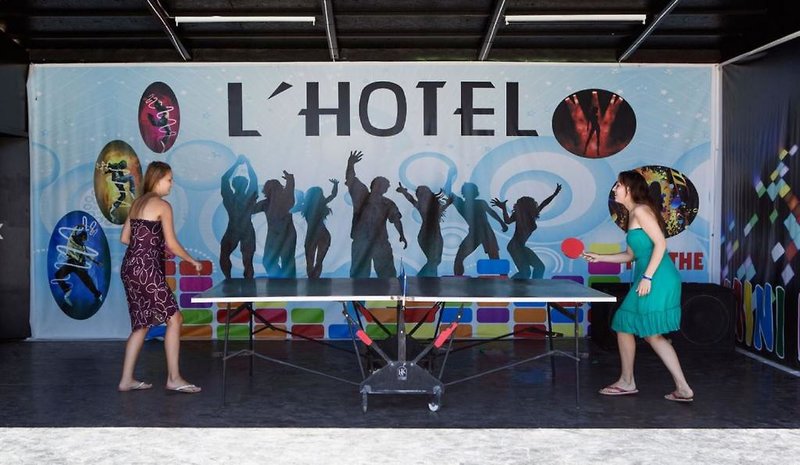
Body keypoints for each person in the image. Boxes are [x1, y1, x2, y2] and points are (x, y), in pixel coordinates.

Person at [582, 170, 693, 402]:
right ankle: (680, 388)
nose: (614, 189)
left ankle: (628, 382)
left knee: (629, 324)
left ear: (630, 189)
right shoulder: (632, 215)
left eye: (618, 185)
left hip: (658, 277)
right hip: (653, 276)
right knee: (642, 331)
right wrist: (599, 257)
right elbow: (631, 255)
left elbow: (660, 244)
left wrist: (648, 277)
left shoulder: (641, 211)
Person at [118, 161, 202, 394]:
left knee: (141, 324)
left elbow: (125, 238)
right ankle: (174, 378)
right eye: (169, 179)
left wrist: (149, 245)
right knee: (175, 319)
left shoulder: (137, 203)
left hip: (129, 268)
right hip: (147, 270)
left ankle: (126, 380)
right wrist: (192, 261)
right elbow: (172, 244)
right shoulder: (163, 206)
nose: (171, 184)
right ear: (157, 180)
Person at [345, 150, 407, 278]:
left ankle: (387, 291)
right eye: (383, 185)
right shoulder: (360, 195)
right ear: (375, 185)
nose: (385, 188)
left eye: (386, 186)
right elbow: (350, 179)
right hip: (361, 241)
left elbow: (396, 219)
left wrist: (401, 234)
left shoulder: (388, 203)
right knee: (359, 276)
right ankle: (358, 292)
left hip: (380, 242)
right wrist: (350, 164)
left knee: (387, 275)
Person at [492, 183, 562, 279]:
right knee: (525, 272)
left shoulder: (532, 214)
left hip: (520, 246)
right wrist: (503, 208)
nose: (535, 204)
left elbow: (544, 203)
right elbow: (507, 221)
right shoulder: (518, 215)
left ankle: (535, 286)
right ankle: (507, 285)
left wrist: (554, 194)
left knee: (539, 267)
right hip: (514, 247)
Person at [446, 182, 508, 276]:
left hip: (484, 232)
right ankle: (458, 278)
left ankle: (504, 277)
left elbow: (491, 212)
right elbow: (447, 192)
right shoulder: (462, 204)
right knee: (459, 258)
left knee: (494, 258)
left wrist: (502, 223)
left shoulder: (477, 203)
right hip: (478, 233)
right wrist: (502, 223)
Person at [396, 182, 452, 277]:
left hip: (434, 235)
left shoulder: (434, 205)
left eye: (425, 192)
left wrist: (447, 202)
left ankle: (425, 279)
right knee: (433, 261)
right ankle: (423, 279)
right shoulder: (422, 205)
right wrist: (404, 192)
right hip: (427, 235)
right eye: (420, 193)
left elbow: (441, 207)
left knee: (435, 261)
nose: (423, 195)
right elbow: (411, 199)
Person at [253, 170, 297, 278]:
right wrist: (290, 179)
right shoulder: (266, 203)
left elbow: (290, 190)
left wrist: (290, 180)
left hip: (286, 234)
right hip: (276, 235)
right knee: (271, 261)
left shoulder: (286, 200)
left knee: (287, 261)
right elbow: (251, 210)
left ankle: (287, 282)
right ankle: (282, 280)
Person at [219, 155, 258, 279]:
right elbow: (253, 179)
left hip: (236, 229)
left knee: (245, 260)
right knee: (245, 260)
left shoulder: (230, 197)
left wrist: (237, 164)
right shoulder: (249, 196)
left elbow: (225, 179)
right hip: (242, 229)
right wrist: (247, 164)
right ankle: (230, 279)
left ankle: (230, 278)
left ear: (234, 185)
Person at [300, 179, 339, 278]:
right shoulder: (320, 204)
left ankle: (312, 279)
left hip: (313, 235)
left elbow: (333, 195)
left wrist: (335, 185)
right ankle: (315, 279)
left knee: (311, 261)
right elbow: (333, 195)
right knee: (318, 261)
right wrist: (335, 184)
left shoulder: (306, 207)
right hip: (322, 234)